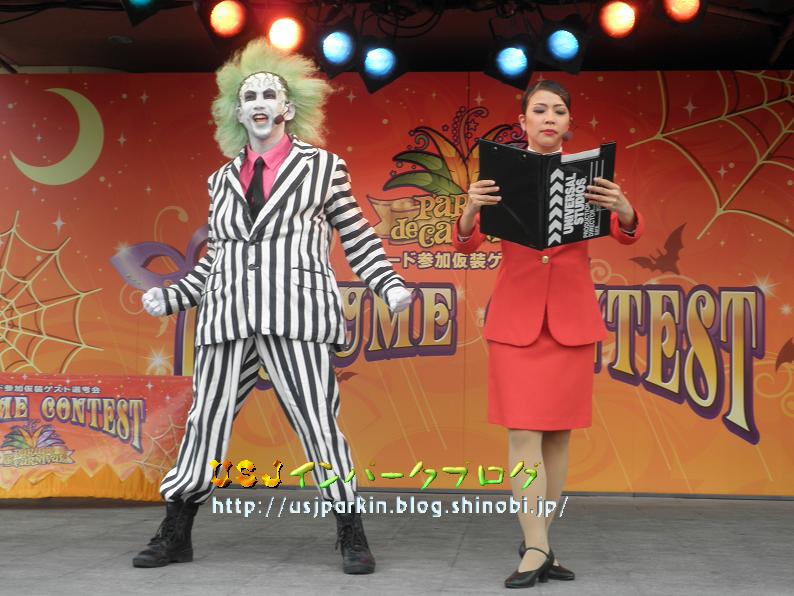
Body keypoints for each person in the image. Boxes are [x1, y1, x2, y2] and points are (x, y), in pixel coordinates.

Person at [132, 38, 412, 574]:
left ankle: (350, 530)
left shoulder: (323, 168)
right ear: (236, 113)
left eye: (268, 95)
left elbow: (357, 236)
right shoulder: (220, 181)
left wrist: (387, 283)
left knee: (317, 424)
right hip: (227, 319)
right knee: (205, 422)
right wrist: (172, 296)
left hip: (295, 316)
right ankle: (176, 531)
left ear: (288, 107)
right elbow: (217, 260)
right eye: (249, 97)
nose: (259, 104)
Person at [453, 80, 645, 589]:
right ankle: (536, 545)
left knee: (559, 437)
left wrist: (624, 209)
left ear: (568, 123)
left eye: (558, 111)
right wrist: (470, 208)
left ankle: (540, 541)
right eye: (539, 110)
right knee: (523, 433)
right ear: (523, 121)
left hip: (571, 321)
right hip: (516, 322)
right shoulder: (499, 174)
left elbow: (627, 231)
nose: (549, 118)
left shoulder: (593, 176)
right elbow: (467, 244)